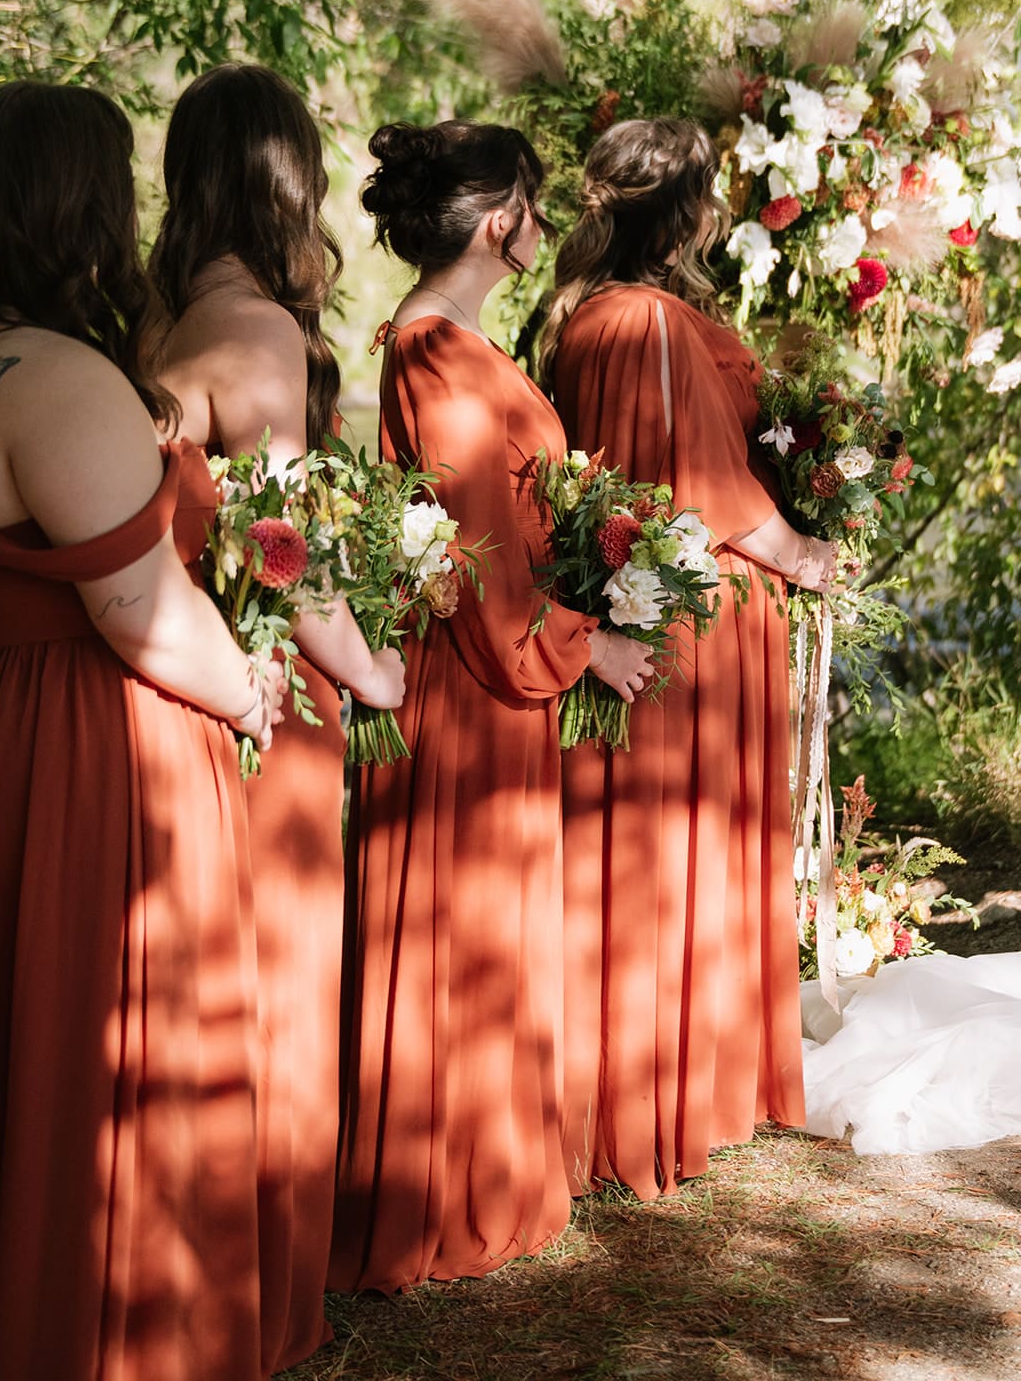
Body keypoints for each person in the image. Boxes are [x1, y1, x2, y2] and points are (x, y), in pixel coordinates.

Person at [0, 81, 284, 1381]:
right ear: (75, 205)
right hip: (96, 747)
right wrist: (249, 688)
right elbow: (140, 610)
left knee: (16, 1034)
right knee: (121, 1042)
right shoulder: (60, 379)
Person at [329, 120, 652, 1293]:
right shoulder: (432, 350)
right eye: (531, 199)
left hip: (501, 668)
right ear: (494, 218)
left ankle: (495, 1168)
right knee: (460, 920)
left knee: (493, 921)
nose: (544, 221)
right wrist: (584, 640)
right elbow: (470, 551)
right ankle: (441, 1191)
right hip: (475, 676)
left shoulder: (463, 338)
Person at [151, 62, 405, 1374]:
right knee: (279, 993)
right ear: (287, 182)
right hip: (265, 702)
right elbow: (286, 550)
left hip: (179, 695)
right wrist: (373, 673)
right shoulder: (258, 334)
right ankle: (261, 1298)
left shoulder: (156, 322)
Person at [539, 116, 837, 1200]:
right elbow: (700, 488)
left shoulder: (582, 317)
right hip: (689, 626)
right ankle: (664, 1094)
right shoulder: (651, 323)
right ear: (688, 211)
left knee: (645, 852)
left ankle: (638, 1083)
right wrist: (807, 553)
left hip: (643, 610)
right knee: (676, 847)